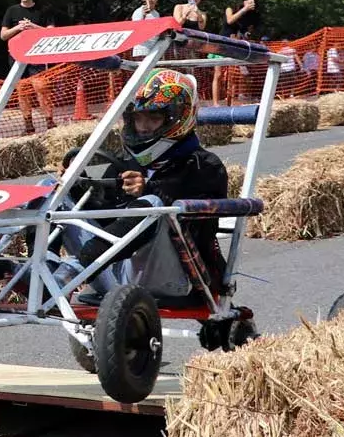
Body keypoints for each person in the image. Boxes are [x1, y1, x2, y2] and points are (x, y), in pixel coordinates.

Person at [69, 69, 228, 304]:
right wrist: (75, 186)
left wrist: (149, 191)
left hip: (181, 279)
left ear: (177, 119)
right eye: (138, 118)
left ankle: (73, 269)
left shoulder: (204, 165)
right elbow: (105, 218)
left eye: (153, 119)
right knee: (53, 189)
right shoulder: (126, 162)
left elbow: (200, 226)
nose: (143, 127)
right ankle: (42, 275)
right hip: (116, 272)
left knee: (153, 206)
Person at [0, 0, 57, 133]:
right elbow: (3, 35)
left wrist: (33, 27)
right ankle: (28, 125)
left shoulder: (44, 10)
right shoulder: (12, 11)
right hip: (17, 57)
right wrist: (18, 27)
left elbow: (52, 33)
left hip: (37, 56)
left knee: (42, 88)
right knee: (23, 91)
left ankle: (50, 122)